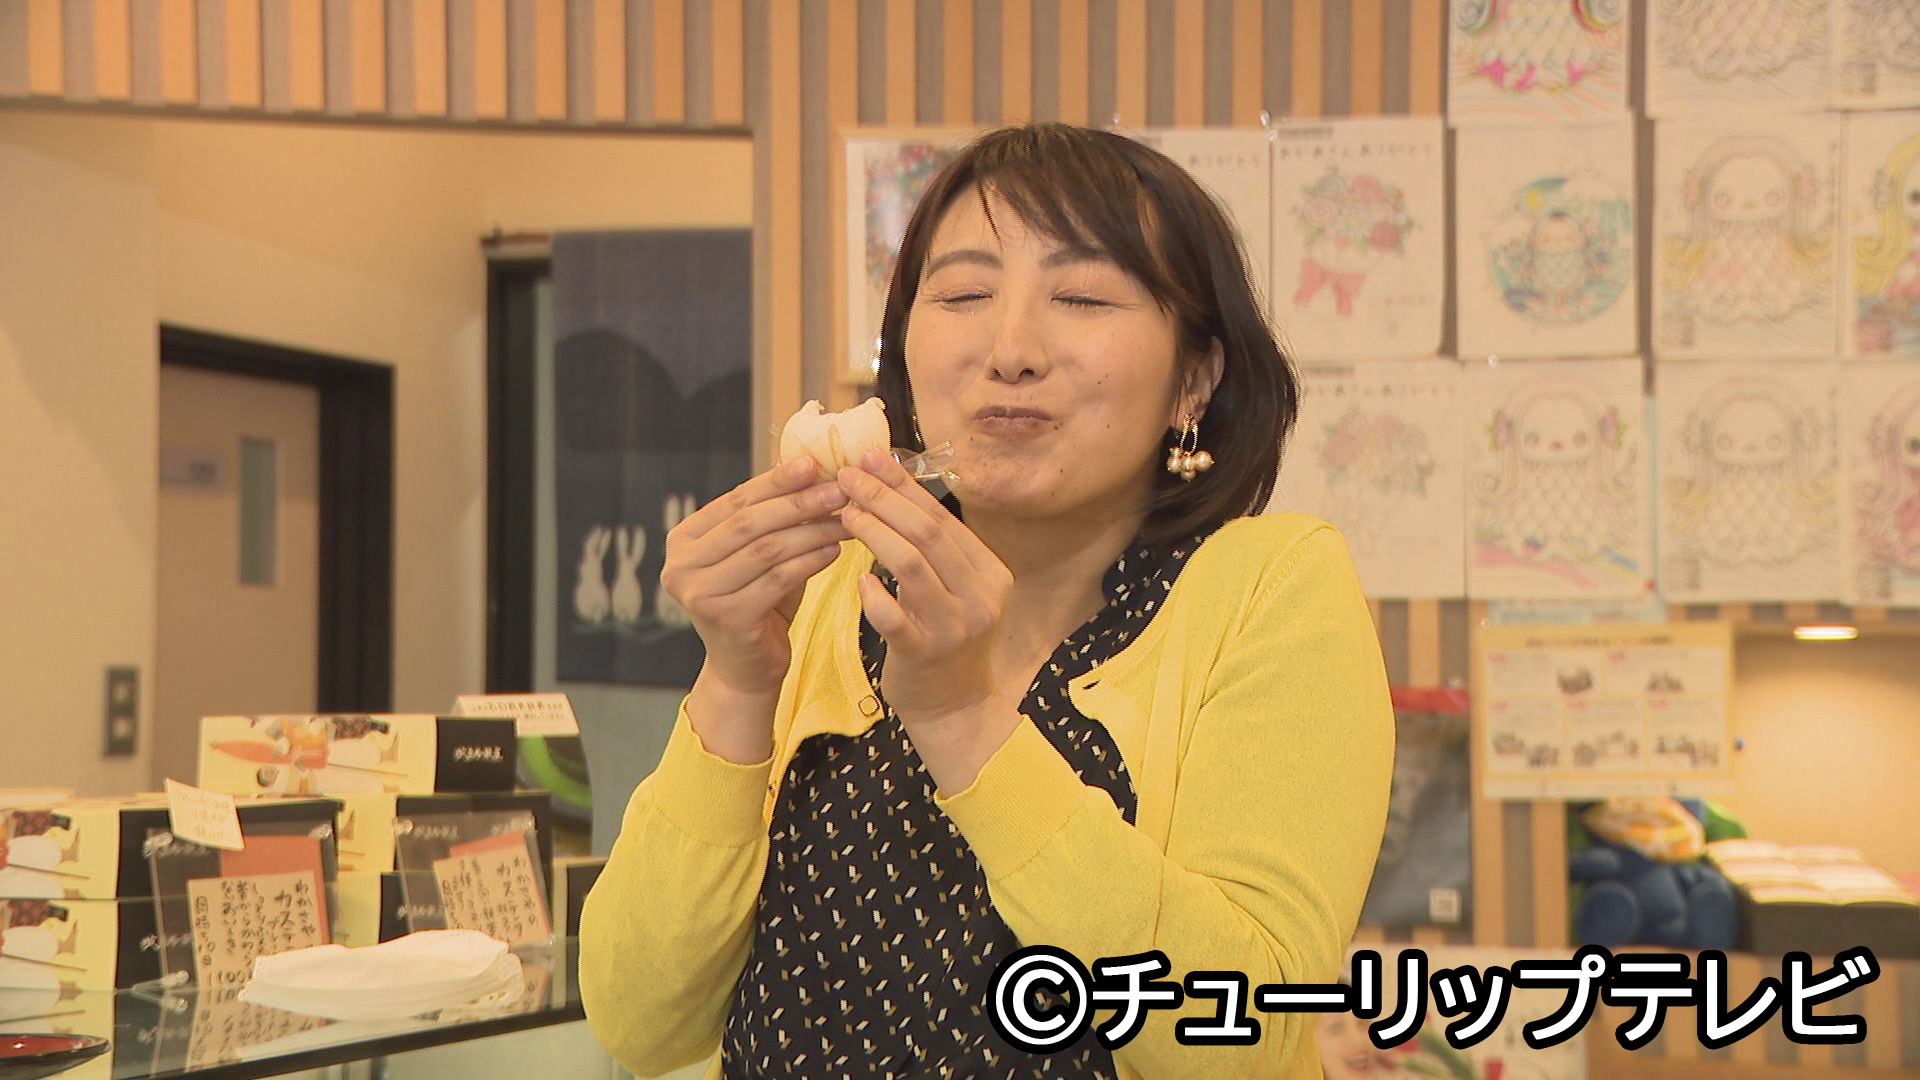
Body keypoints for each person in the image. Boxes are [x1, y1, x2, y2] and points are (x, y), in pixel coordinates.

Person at [580, 123, 1394, 1079]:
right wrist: (736, 681)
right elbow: (639, 1021)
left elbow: (1243, 1028)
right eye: (964, 295)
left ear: (1195, 378)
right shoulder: (836, 588)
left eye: (1082, 297)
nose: (1010, 350)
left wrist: (965, 719)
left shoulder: (1273, 588)